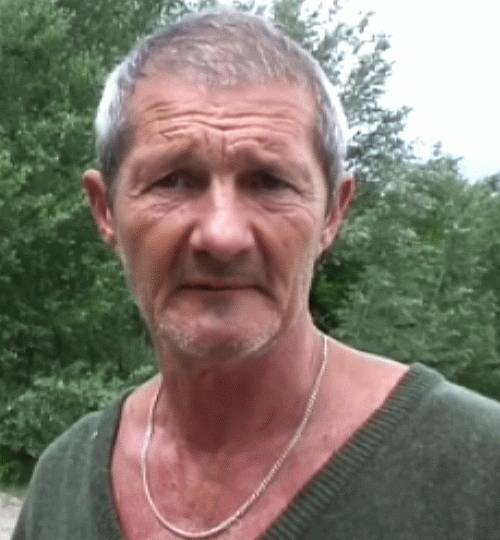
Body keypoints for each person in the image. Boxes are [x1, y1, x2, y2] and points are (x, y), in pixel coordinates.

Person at [11, 10, 500, 540]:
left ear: (333, 214)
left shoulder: (476, 471)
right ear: (106, 210)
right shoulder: (62, 488)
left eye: (269, 182)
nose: (222, 235)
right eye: (175, 181)